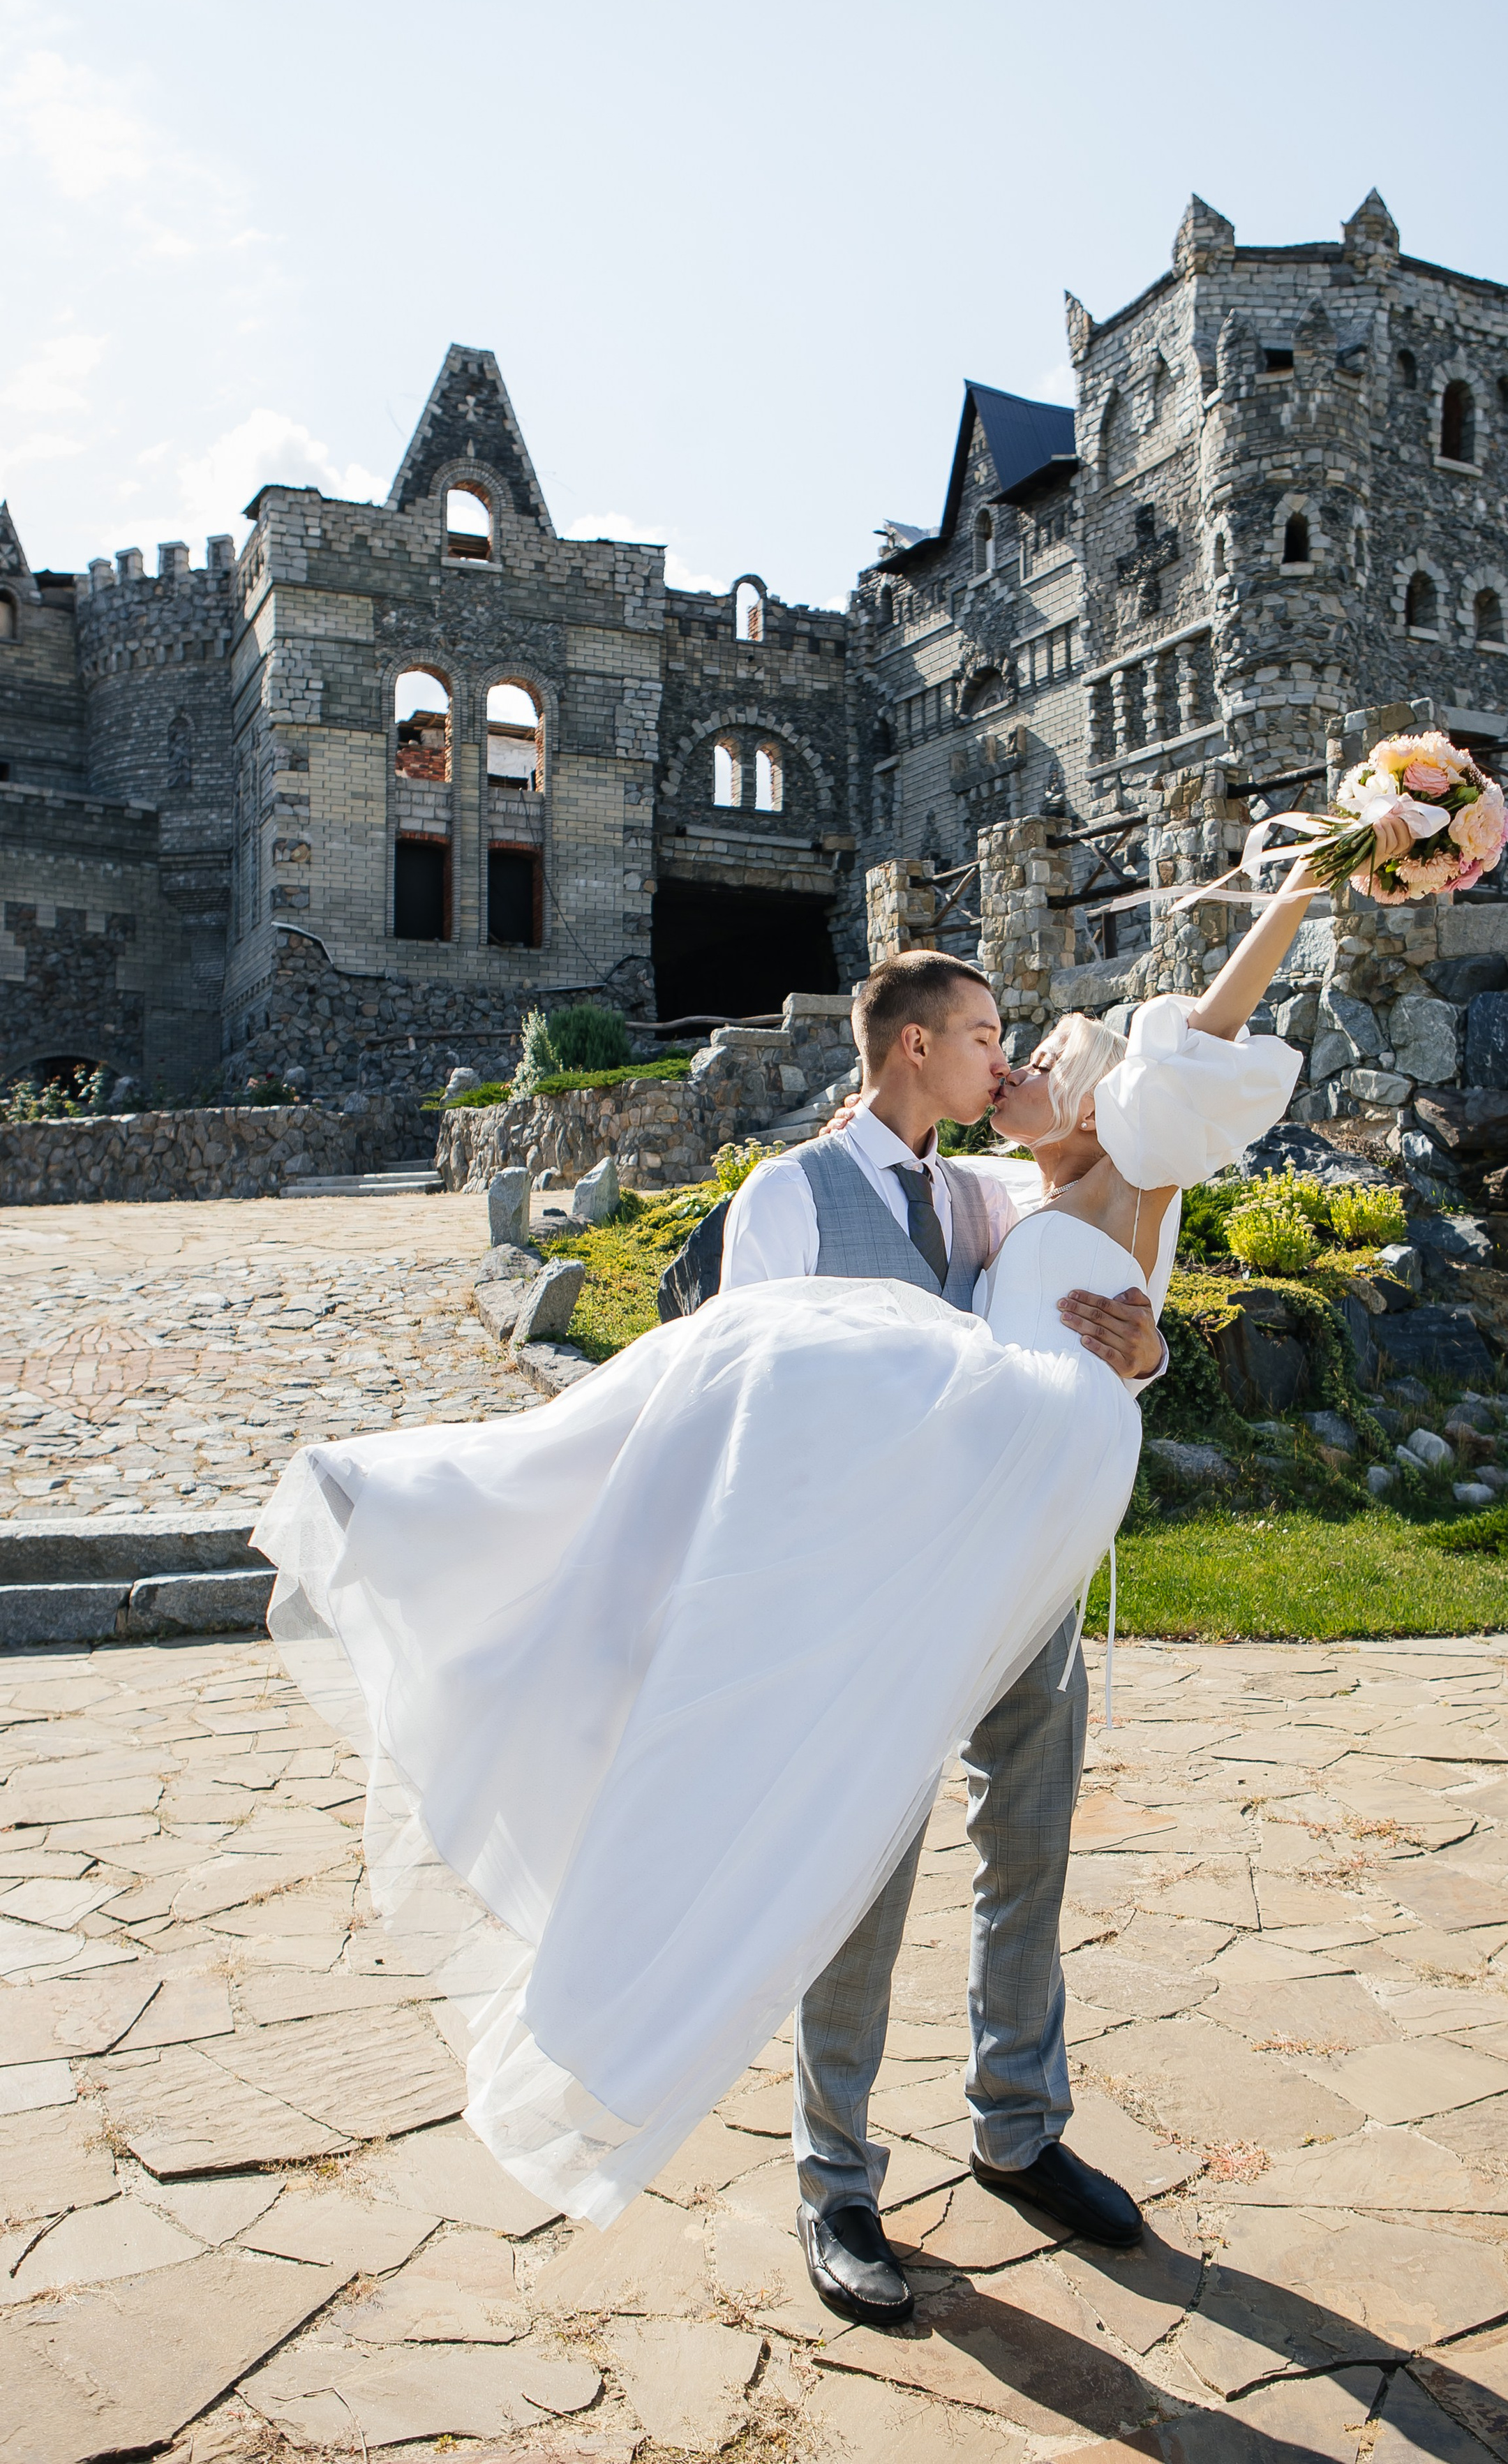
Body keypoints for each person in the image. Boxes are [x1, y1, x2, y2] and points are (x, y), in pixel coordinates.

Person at [250, 858, 1319, 2275]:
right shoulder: (793, 1193)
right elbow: (747, 1404)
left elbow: (1107, 1247)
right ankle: (838, 2182)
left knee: (1029, 1853)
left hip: (1016, 1578)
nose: (1007, 1059)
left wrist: (1153, 1343)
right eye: (987, 1038)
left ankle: (1019, 2129)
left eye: (1020, 1045)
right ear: (914, 1049)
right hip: (857, 1597)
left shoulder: (985, 1194)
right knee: (849, 1870)